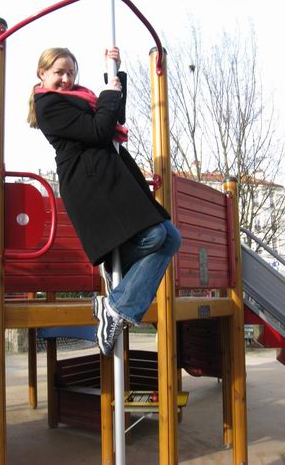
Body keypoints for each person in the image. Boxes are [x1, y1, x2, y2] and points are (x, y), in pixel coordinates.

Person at [27, 47, 181, 356]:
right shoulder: (49, 106)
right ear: (42, 74)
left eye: (71, 72)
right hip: (91, 185)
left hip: (112, 177)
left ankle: (116, 302)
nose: (66, 78)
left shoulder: (81, 97)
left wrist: (115, 74)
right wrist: (108, 94)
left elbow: (113, 118)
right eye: (59, 72)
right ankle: (117, 295)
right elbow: (99, 130)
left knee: (171, 237)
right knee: (155, 234)